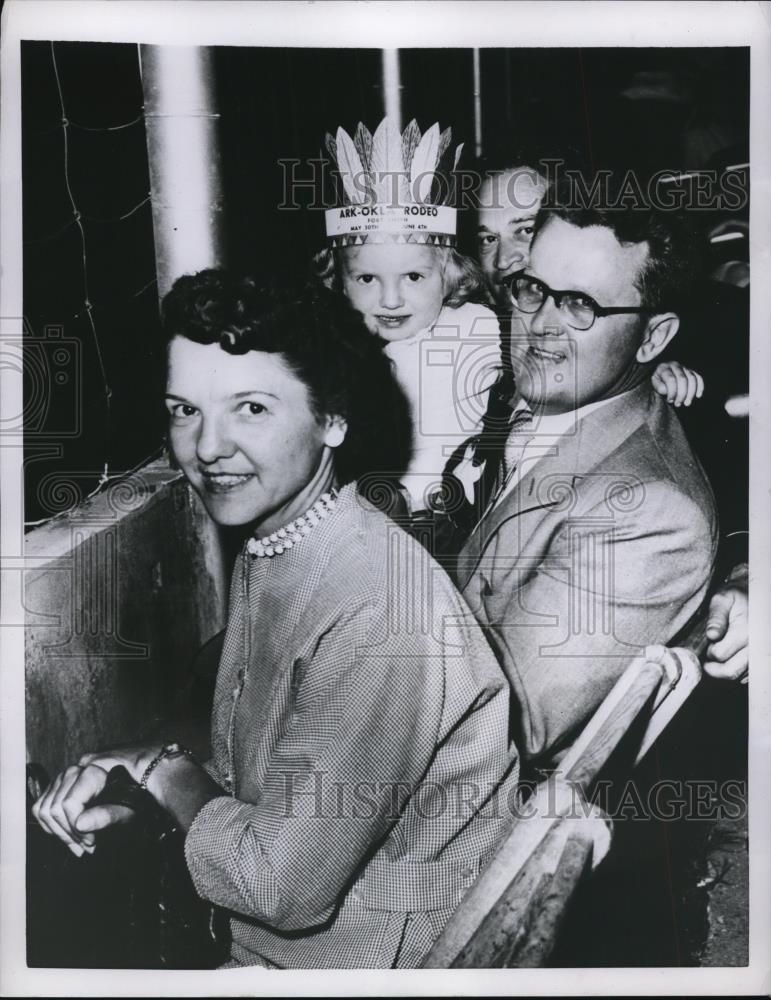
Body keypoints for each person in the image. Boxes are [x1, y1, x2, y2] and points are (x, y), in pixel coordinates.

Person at [33, 271, 520, 970]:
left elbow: (279, 885)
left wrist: (162, 769)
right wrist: (140, 789)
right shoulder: (280, 542)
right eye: (184, 409)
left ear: (333, 420)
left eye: (252, 409)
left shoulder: (376, 609)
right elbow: (281, 779)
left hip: (375, 961)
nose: (207, 448)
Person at [450, 193, 719, 766]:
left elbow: (494, 723)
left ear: (652, 338)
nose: (540, 327)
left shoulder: (650, 516)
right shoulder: (523, 394)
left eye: (580, 307)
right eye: (531, 290)